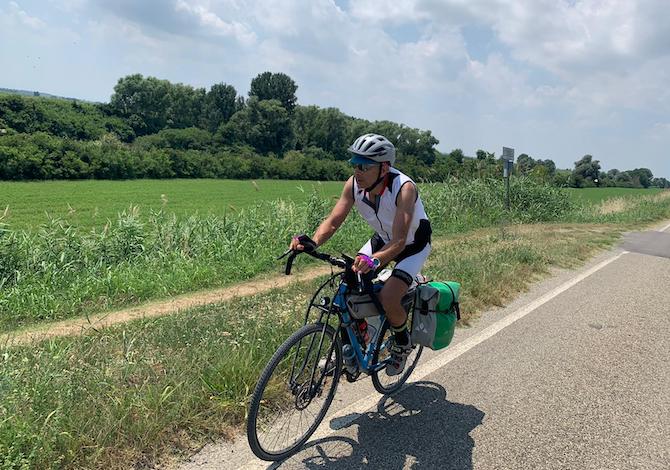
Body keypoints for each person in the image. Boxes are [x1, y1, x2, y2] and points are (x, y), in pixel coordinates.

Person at [289, 133, 432, 375]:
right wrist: (313, 241)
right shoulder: (354, 185)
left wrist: (374, 260)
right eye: (354, 164)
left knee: (388, 297)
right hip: (382, 239)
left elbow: (398, 241)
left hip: (411, 245)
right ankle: (352, 347)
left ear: (384, 167)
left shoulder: (404, 188)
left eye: (364, 166)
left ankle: (402, 343)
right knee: (347, 284)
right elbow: (333, 221)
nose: (357, 171)